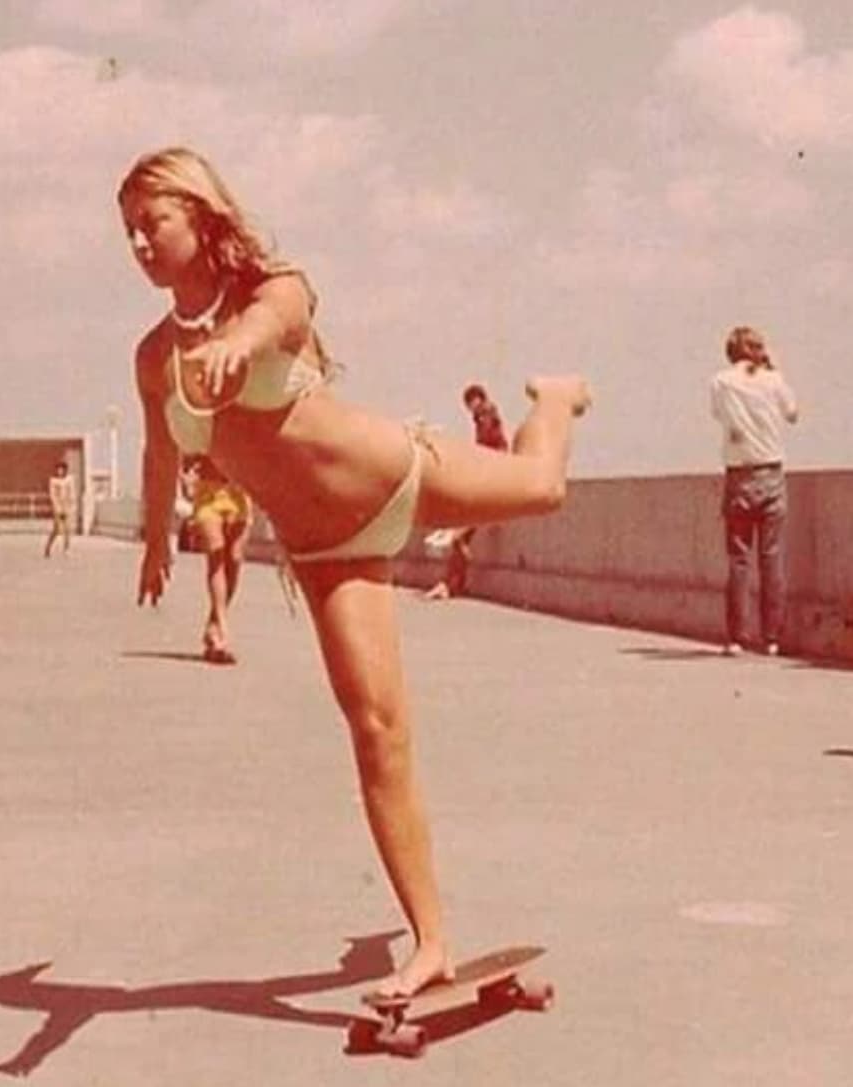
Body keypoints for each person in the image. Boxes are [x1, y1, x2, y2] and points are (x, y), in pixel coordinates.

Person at [118, 147, 591, 999]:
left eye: (153, 222)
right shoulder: (154, 357)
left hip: (392, 473)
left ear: (199, 215)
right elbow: (159, 455)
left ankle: (554, 399)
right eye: (129, 232)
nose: (140, 244)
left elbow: (280, 321)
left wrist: (239, 341)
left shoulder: (270, 287)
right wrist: (157, 540)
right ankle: (431, 939)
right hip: (325, 549)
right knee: (378, 731)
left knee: (543, 487)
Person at [710, 325, 798, 657]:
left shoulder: (720, 382)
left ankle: (737, 638)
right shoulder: (773, 381)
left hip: (739, 475)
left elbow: (719, 415)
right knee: (771, 556)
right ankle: (772, 638)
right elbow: (793, 413)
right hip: (772, 472)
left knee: (739, 558)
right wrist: (772, 368)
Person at [422, 383, 510, 600]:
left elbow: (490, 442)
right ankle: (453, 583)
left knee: (460, 532)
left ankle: (450, 583)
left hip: (492, 472)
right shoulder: (483, 416)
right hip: (489, 470)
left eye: (471, 402)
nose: (470, 408)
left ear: (478, 399)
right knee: (461, 538)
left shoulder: (487, 413)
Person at [180, 454, 252, 663]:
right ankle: (221, 627)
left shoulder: (246, 424)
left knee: (235, 558)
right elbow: (182, 455)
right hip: (208, 493)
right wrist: (185, 482)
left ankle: (213, 626)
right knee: (216, 553)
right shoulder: (204, 422)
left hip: (239, 494)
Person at [44, 461, 77, 558]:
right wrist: (57, 508)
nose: (60, 471)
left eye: (62, 469)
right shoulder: (53, 480)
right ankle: (48, 547)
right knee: (57, 529)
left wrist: (72, 506)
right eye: (58, 469)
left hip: (67, 506)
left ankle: (66, 549)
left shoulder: (70, 479)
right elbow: (53, 495)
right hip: (58, 507)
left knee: (67, 529)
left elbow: (72, 493)